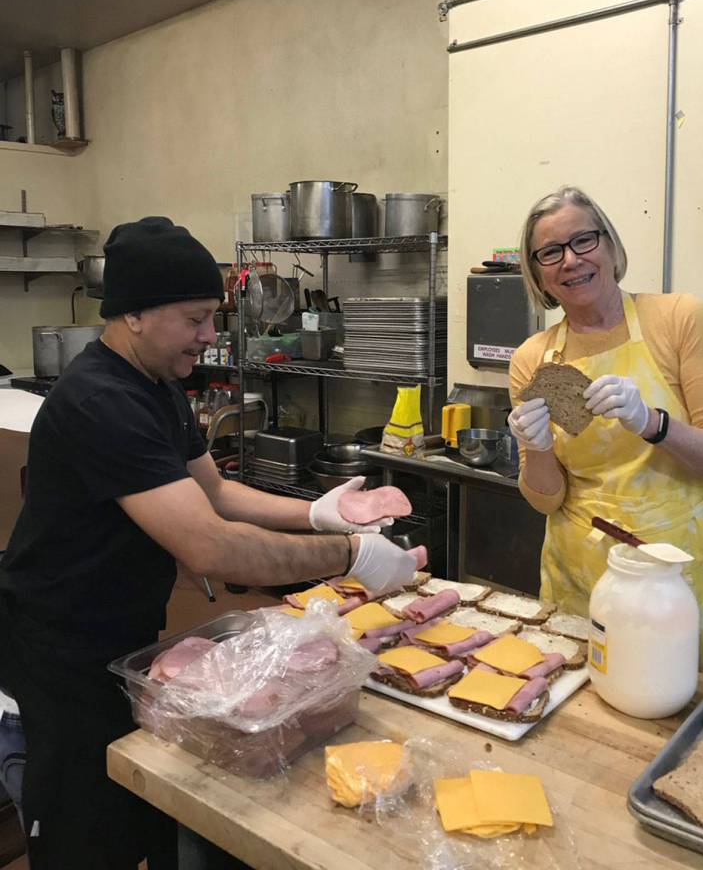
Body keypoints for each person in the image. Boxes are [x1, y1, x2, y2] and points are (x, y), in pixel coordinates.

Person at [0, 216, 417, 870]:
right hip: (62, 650)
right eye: (196, 318)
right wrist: (351, 556)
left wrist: (321, 513)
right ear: (135, 314)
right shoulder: (99, 401)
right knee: (85, 828)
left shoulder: (157, 385)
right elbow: (212, 548)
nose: (209, 336)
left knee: (144, 805)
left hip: (125, 630)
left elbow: (215, 492)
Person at [507, 187, 703, 676]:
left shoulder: (679, 318)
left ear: (611, 246)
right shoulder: (533, 359)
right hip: (584, 571)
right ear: (538, 274)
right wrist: (536, 449)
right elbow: (546, 500)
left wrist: (653, 424)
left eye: (583, 240)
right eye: (551, 252)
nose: (571, 260)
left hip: (682, 570)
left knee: (691, 703)